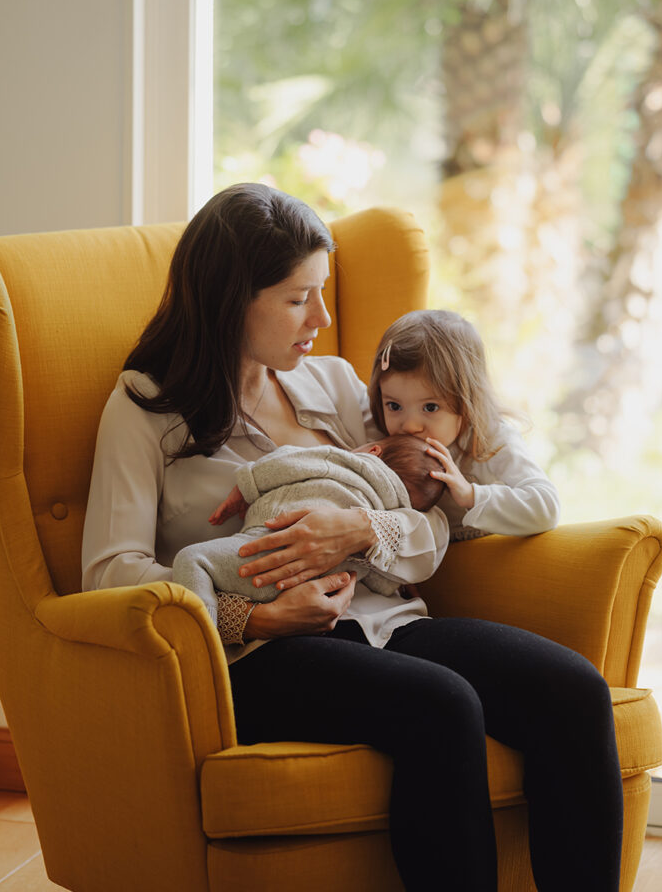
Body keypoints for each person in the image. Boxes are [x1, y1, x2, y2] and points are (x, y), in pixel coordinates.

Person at [81, 181, 624, 891]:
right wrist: (253, 615)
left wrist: (360, 527)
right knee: (442, 704)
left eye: (322, 292)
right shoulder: (143, 407)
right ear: (230, 298)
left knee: (572, 690)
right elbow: (109, 573)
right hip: (258, 654)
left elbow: (427, 518)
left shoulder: (335, 386)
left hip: (383, 619)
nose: (322, 317)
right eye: (298, 297)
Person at [172, 434, 445, 616]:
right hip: (319, 596)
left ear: (373, 451)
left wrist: (248, 485)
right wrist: (396, 586)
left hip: (264, 553)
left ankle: (204, 643)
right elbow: (381, 580)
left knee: (192, 560)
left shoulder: (345, 462)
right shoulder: (387, 512)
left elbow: (289, 461)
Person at [368, 309, 561, 543]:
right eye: (394, 406)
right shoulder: (386, 443)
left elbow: (546, 508)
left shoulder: (492, 439)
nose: (409, 426)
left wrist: (470, 495)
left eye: (430, 407)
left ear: (467, 402)